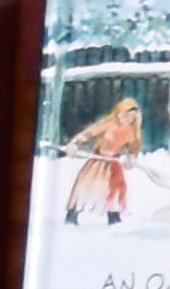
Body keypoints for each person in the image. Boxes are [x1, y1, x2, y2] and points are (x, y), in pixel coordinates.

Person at [61, 95, 144, 226]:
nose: (128, 119)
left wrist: (132, 157)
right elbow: (88, 133)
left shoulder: (131, 132)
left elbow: (134, 147)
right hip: (97, 163)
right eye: (126, 115)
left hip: (113, 164)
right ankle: (72, 214)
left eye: (132, 117)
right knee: (84, 184)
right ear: (120, 112)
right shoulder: (107, 124)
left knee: (113, 189)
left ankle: (114, 217)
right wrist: (74, 144)